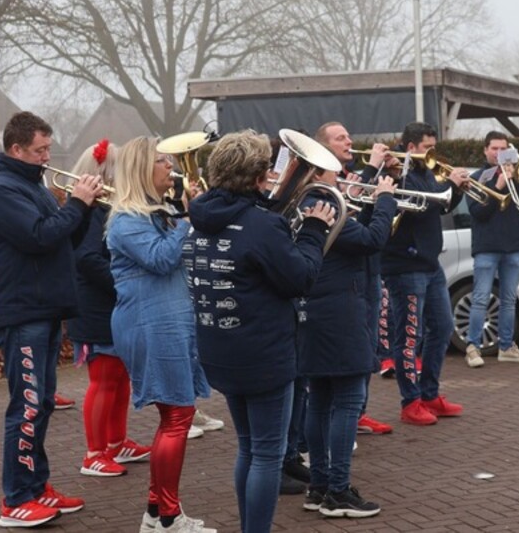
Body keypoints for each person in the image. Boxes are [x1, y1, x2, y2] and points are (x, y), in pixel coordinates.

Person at [187, 130, 333, 533]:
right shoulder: (262, 226)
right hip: (264, 354)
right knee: (268, 454)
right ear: (256, 177)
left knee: (249, 449)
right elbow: (301, 278)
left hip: (220, 349)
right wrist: (314, 230)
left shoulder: (198, 217)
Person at [0, 111, 99, 528]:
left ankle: (37, 486)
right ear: (16, 149)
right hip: (21, 312)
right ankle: (16, 498)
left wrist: (83, 210)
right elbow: (39, 236)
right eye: (40, 150)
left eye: (48, 148)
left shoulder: (32, 185)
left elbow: (62, 238)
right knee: (26, 406)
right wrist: (76, 202)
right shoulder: (0, 190)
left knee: (41, 404)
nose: (47, 157)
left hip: (42, 308)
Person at [106, 136, 215, 533]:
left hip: (166, 319)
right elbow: (160, 258)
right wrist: (186, 219)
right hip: (150, 322)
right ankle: (168, 517)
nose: (171, 166)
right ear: (140, 169)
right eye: (161, 161)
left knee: (175, 414)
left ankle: (156, 513)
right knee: (178, 414)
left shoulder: (156, 214)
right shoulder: (126, 220)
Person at [297, 167, 397, 518]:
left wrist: (368, 207)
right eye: (332, 170)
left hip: (315, 312)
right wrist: (386, 200)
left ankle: (319, 486)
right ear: (314, 171)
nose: (339, 176)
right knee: (348, 402)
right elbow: (373, 241)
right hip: (339, 313)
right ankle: (338, 491)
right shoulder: (322, 205)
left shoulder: (302, 205)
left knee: (320, 401)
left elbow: (355, 241)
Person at [66, 140, 152, 478]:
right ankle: (94, 453)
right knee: (103, 380)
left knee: (119, 378)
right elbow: (87, 259)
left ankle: (116, 442)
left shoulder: (104, 208)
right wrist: (123, 282)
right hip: (95, 308)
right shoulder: (91, 211)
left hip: (109, 306)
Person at [382, 121, 466, 425]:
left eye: (433, 147)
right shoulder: (398, 172)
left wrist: (457, 190)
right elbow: (421, 203)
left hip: (430, 263)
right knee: (409, 336)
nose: (432, 153)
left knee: (442, 328)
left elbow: (441, 207)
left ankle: (429, 394)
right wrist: (451, 185)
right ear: (411, 147)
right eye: (427, 148)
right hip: (406, 265)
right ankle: (410, 402)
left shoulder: (425, 171)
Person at [314, 121, 396, 435]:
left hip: (367, 270)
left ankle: (358, 412)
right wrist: (372, 168)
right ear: (324, 147)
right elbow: (349, 206)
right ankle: (348, 413)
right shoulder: (326, 184)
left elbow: (361, 211)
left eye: (349, 136)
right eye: (341, 138)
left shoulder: (344, 176)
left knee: (368, 345)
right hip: (343, 280)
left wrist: (390, 177)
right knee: (353, 351)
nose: (349, 141)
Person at [464, 131, 519, 367]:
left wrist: (515, 179)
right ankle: (473, 347)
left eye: (503, 149)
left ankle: (506, 347)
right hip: (486, 247)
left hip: (513, 246)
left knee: (508, 300)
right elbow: (478, 212)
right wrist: (497, 186)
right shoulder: (477, 178)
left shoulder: (515, 175)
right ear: (485, 150)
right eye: (494, 149)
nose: (498, 153)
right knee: (480, 298)